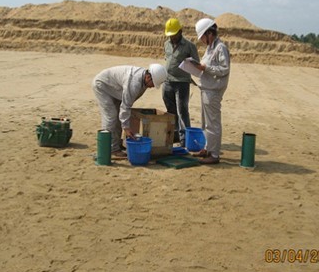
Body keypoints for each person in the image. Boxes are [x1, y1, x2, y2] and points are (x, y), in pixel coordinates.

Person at [92, 64, 168, 158]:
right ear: (148, 77)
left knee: (118, 115)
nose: (152, 87)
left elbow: (127, 104)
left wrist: (125, 123)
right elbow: (126, 106)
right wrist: (126, 128)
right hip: (102, 85)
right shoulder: (134, 82)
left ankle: (116, 144)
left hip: (115, 89)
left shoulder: (143, 79)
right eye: (154, 84)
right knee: (111, 115)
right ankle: (110, 148)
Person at [189, 18, 231, 164]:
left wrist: (205, 68)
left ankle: (214, 155)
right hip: (206, 88)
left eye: (202, 37)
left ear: (209, 33)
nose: (201, 40)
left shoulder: (220, 48)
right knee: (205, 123)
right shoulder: (210, 47)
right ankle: (207, 148)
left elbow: (224, 69)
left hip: (213, 91)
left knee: (212, 123)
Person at [162, 18, 200, 147]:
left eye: (174, 34)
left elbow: (197, 65)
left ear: (180, 31)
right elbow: (167, 58)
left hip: (182, 83)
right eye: (170, 35)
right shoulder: (166, 44)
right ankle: (175, 135)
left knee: (182, 111)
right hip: (167, 82)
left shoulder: (190, 46)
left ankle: (185, 139)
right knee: (170, 111)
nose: (172, 37)